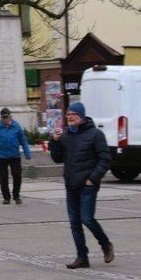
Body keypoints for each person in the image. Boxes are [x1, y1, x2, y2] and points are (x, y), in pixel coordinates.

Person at [48, 102, 114, 269]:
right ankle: (82, 257)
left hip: (88, 184)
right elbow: (58, 158)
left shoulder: (95, 134)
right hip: (71, 184)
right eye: (68, 114)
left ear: (82, 116)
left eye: (73, 114)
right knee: (74, 222)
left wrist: (93, 178)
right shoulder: (65, 136)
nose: (70, 117)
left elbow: (105, 158)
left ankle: (105, 244)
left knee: (87, 218)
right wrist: (54, 142)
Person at [0, 107, 32, 204]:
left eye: (7, 117)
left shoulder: (16, 126)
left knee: (17, 175)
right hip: (2, 156)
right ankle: (6, 197)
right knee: (3, 177)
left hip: (14, 155)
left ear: (10, 117)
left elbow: (22, 140)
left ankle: (16, 196)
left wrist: (27, 153)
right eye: (3, 118)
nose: (5, 119)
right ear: (1, 117)